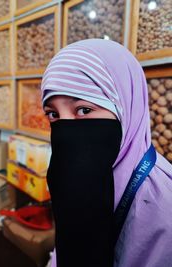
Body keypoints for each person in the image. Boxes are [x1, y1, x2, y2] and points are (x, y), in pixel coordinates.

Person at [41, 39, 172, 267]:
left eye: (84, 109)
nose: (65, 130)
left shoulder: (164, 204)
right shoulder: (74, 174)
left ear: (126, 105)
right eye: (53, 114)